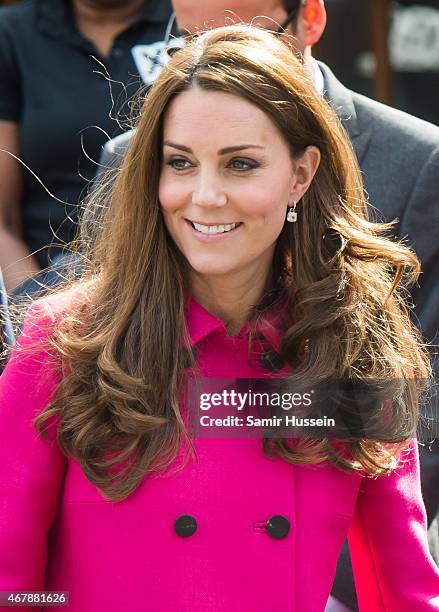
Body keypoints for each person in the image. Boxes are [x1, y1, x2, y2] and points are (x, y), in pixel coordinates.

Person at [1, 23, 439, 612]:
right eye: (180, 163)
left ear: (301, 175)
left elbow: (404, 590)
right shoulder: (66, 343)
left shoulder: (350, 347)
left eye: (240, 165)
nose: (204, 196)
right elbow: (13, 585)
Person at [0, 0, 172, 292]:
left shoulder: (187, 19)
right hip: (43, 281)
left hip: (166, 277)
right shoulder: (12, 34)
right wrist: (35, 306)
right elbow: (3, 218)